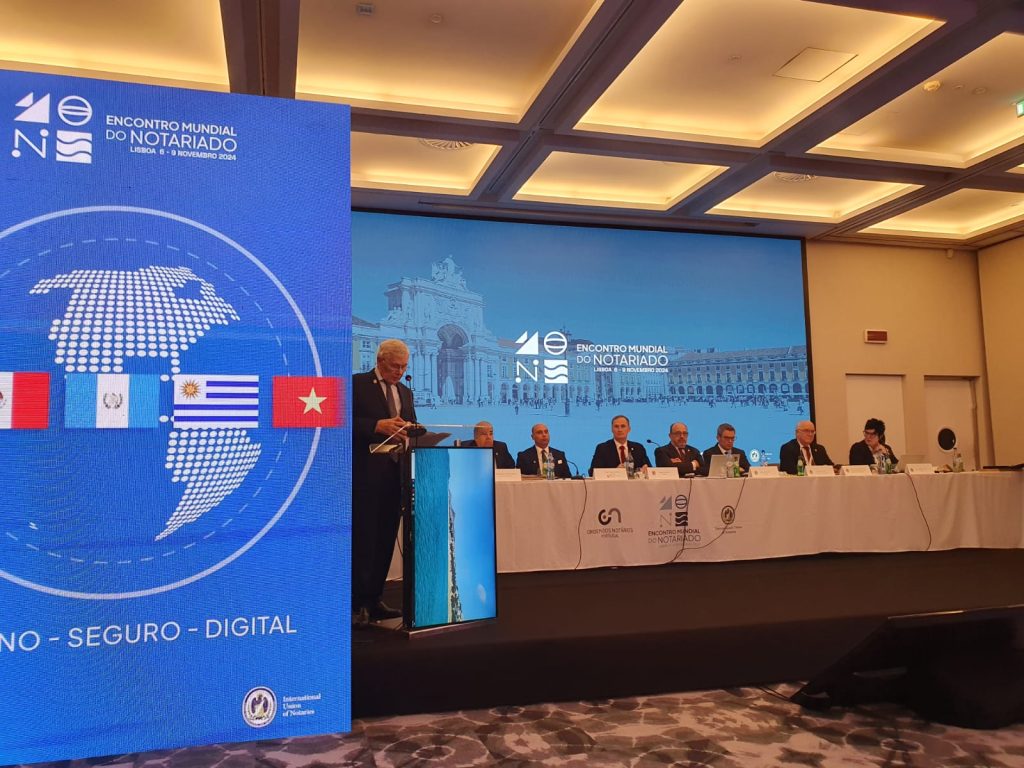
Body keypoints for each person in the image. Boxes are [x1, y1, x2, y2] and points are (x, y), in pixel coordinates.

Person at [351, 339, 416, 623]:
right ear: (380, 361)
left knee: (386, 539)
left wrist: (412, 430)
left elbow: (410, 424)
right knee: (365, 539)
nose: (399, 372)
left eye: (404, 367)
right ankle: (358, 603)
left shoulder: (405, 392)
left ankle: (375, 598)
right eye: (394, 366)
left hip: (395, 476)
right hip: (365, 477)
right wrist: (376, 425)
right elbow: (341, 421)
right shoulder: (357, 384)